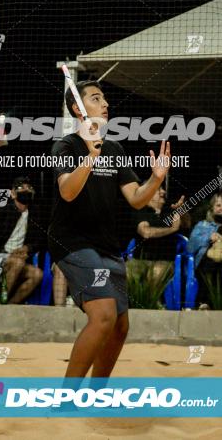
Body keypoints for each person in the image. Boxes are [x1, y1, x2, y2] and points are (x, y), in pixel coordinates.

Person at [48, 79, 173, 380]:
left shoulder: (114, 148)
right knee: (103, 314)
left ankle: (97, 392)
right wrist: (91, 156)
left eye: (104, 99)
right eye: (96, 98)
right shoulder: (65, 146)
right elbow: (67, 191)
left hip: (106, 244)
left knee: (119, 326)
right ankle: (66, 398)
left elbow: (135, 199)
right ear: (78, 108)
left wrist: (155, 180)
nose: (105, 104)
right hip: (72, 241)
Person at [0, 176, 44, 304]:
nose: (26, 190)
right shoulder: (2, 210)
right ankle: (1, 303)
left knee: (37, 274)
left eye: (29, 188)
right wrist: (6, 253)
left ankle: (10, 305)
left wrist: (27, 248)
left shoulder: (35, 213)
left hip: (17, 260)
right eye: (21, 188)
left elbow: (39, 240)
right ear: (12, 193)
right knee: (18, 263)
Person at [126, 186, 185, 289]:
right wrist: (172, 229)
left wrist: (182, 211)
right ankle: (130, 303)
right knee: (126, 272)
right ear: (147, 193)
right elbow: (146, 232)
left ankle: (151, 303)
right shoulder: (140, 211)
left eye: (162, 189)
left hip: (165, 261)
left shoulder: (170, 210)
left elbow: (186, 225)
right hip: (139, 260)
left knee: (155, 274)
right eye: (158, 189)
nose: (163, 191)